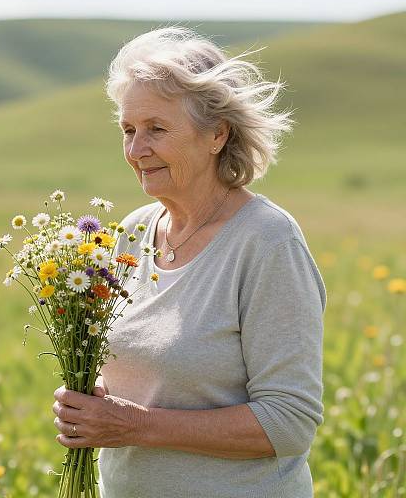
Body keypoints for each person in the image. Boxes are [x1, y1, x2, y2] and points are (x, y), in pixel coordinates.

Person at [52, 26, 327, 498]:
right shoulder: (134, 232)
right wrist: (90, 400)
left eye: (156, 129)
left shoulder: (267, 242)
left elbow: (288, 422)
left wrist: (136, 425)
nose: (137, 150)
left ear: (217, 134)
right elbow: (147, 367)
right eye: (128, 130)